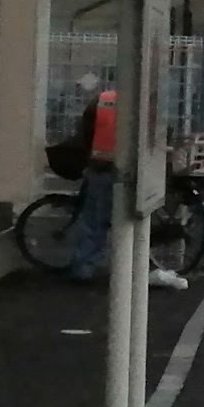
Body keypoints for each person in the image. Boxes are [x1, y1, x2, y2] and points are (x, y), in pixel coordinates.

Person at [67, 80, 121, 284]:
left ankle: (85, 267)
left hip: (100, 166)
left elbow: (85, 133)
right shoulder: (143, 103)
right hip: (127, 169)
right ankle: (127, 269)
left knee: (93, 221)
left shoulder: (101, 101)